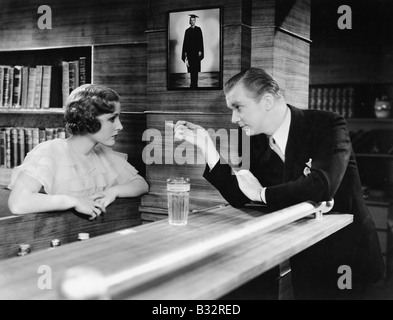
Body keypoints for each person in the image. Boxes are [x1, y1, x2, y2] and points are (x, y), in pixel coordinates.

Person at [173, 68, 384, 299]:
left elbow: (322, 186)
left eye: (238, 107)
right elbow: (241, 196)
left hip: (349, 261)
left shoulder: (327, 125)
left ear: (266, 101)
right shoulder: (257, 141)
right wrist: (206, 146)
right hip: (307, 263)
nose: (233, 118)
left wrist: (262, 193)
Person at [8, 84, 149, 220]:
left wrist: (113, 192)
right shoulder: (51, 151)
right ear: (88, 119)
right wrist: (74, 201)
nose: (120, 126)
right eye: (112, 119)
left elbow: (141, 184)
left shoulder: (102, 154)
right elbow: (17, 203)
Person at [181, 14, 204, 88]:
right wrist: (185, 54)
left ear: (195, 21)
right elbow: (185, 43)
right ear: (189, 21)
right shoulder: (187, 31)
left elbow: (200, 41)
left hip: (196, 52)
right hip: (190, 53)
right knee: (191, 68)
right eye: (191, 20)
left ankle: (195, 83)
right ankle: (192, 83)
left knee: (196, 68)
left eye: (193, 20)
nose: (192, 21)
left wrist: (200, 50)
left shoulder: (198, 29)